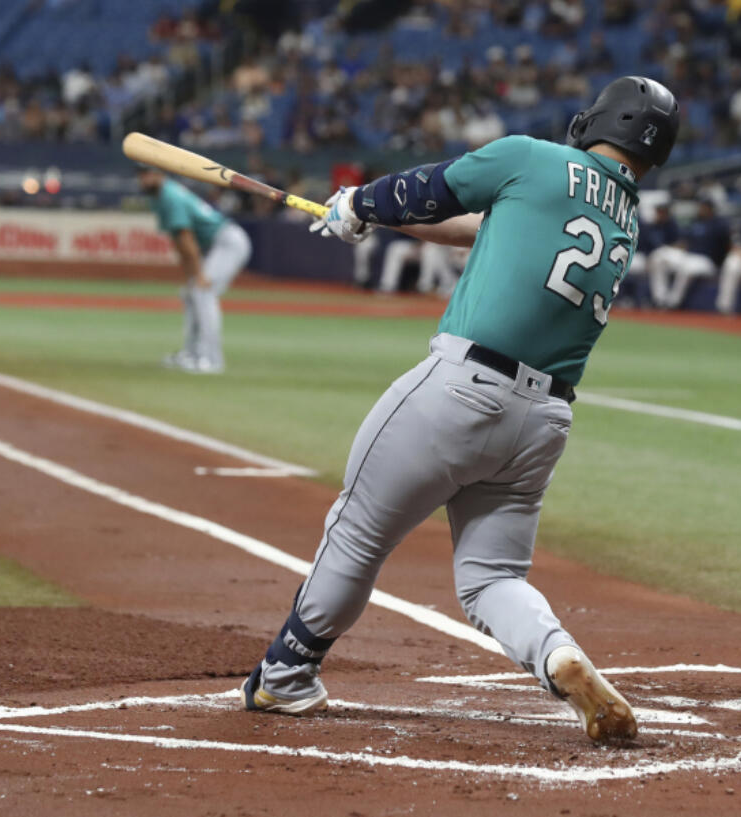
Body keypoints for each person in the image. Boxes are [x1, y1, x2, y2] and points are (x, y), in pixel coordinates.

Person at [243, 76, 681, 742]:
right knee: (491, 576)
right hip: (542, 422)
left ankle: (285, 674)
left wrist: (359, 201)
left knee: (358, 529)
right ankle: (556, 653)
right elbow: (484, 227)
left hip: (460, 390)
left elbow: (427, 189)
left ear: (599, 119)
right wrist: (369, 216)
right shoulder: (624, 216)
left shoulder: (532, 157)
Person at [136, 167, 252, 374]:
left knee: (202, 292)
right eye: (141, 174)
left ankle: (211, 359)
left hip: (228, 242)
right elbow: (179, 241)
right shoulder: (160, 196)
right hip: (217, 244)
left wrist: (197, 275)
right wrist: (192, 275)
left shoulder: (170, 196)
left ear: (160, 175)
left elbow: (187, 240)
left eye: (147, 174)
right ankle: (192, 353)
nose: (143, 179)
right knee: (191, 293)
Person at [646, 196, 730, 309]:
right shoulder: (695, 221)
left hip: (707, 261)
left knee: (687, 267)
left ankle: (672, 303)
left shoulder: (719, 225)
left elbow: (726, 246)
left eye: (704, 207)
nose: (701, 209)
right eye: (701, 206)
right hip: (689, 256)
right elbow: (685, 241)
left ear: (711, 209)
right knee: (658, 256)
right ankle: (660, 299)